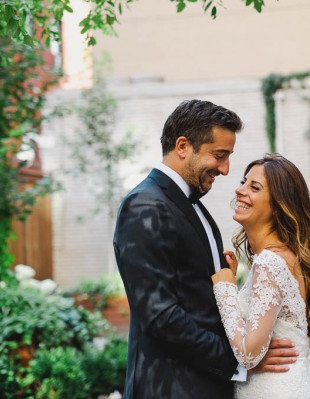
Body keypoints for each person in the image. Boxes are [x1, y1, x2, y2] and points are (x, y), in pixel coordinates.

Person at [113, 100, 297, 399]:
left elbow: (201, 300)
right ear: (183, 146)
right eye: (219, 155)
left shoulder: (191, 204)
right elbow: (160, 316)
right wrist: (239, 360)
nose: (225, 169)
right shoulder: (145, 206)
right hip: (173, 388)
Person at [211, 154, 310, 398]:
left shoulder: (269, 262)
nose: (240, 190)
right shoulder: (281, 257)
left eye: (254, 187)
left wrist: (225, 291)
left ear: (277, 205)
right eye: (244, 182)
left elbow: (248, 354)